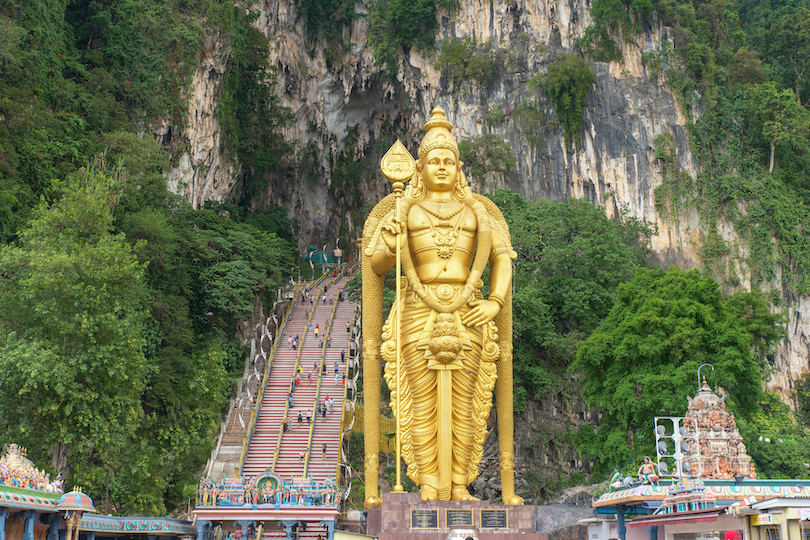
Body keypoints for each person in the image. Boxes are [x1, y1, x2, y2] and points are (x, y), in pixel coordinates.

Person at [364, 107, 519, 503]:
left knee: (469, 403)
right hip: (418, 309)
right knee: (420, 400)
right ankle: (429, 482)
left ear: (459, 166)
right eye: (434, 160)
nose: (442, 167)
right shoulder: (405, 209)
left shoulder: (478, 212)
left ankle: (459, 483)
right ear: (419, 166)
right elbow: (378, 263)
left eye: (449, 161)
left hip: (470, 310)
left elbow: (501, 259)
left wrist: (496, 302)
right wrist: (394, 242)